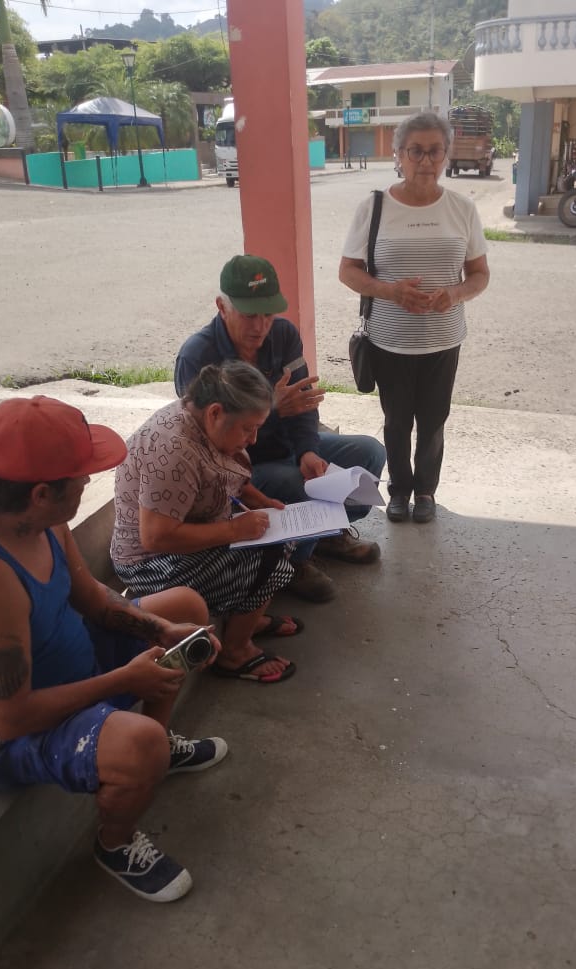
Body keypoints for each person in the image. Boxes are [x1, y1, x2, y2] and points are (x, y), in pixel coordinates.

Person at [0, 396, 227, 904]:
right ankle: (115, 843)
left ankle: (155, 749)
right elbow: (12, 718)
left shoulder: (36, 519)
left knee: (183, 609)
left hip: (66, 667)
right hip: (6, 736)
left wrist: (158, 628)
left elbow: (92, 598)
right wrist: (126, 679)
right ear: (42, 493)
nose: (88, 481)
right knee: (140, 742)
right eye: (82, 477)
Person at [174, 254, 386, 604]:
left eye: (268, 314)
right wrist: (270, 410)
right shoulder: (197, 357)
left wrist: (308, 451)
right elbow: (205, 447)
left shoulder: (284, 334)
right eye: (249, 315)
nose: (260, 326)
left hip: (287, 448)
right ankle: (292, 562)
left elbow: (303, 405)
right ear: (222, 307)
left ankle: (324, 535)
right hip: (241, 470)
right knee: (295, 484)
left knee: (370, 452)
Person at [339, 112, 490, 524]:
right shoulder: (374, 208)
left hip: (443, 340)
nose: (425, 161)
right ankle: (399, 490)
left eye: (434, 151)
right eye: (415, 151)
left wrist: (454, 294)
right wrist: (390, 291)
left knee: (434, 421)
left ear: (446, 155)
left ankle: (425, 491)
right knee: (396, 421)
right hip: (389, 340)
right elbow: (348, 271)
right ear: (398, 155)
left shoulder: (461, 209)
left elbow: (479, 275)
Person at [112, 361, 300, 684]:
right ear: (215, 413)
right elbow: (155, 537)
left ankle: (246, 619)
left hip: (182, 542)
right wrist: (234, 530)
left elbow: (223, 476)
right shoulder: (173, 449)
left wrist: (260, 501)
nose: (253, 439)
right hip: (149, 563)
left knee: (282, 538)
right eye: (248, 428)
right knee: (272, 563)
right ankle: (234, 652)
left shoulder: (201, 421)